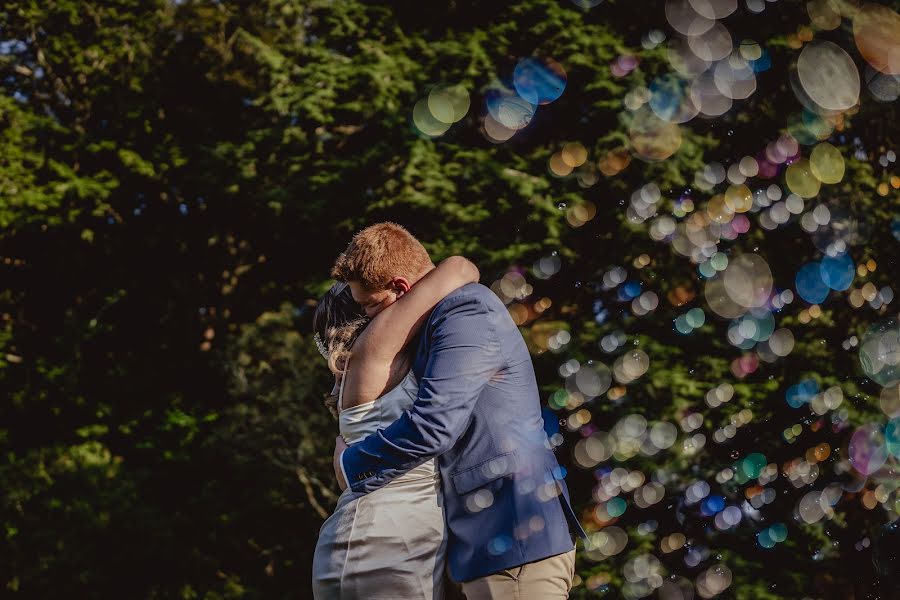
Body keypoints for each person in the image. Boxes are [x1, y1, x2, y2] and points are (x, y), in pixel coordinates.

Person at [331, 222, 586, 599]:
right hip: (485, 542)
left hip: (512, 532)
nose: (368, 318)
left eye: (369, 304)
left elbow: (435, 424)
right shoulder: (439, 315)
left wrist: (352, 464)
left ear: (400, 288)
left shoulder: (465, 310)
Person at [311, 254, 480, 599]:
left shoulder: (370, 365)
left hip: (394, 539)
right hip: (382, 543)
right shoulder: (374, 347)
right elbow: (461, 269)